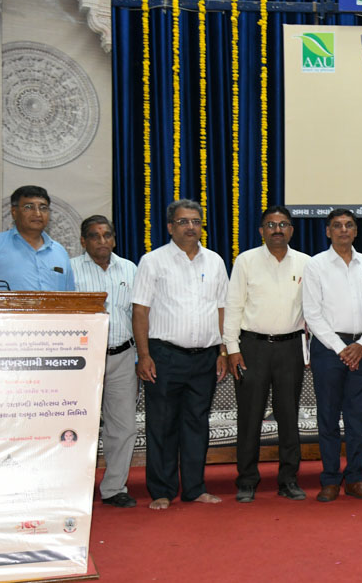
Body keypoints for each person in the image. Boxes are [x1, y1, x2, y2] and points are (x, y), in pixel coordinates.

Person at [131, 199, 228, 510]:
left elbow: (223, 308)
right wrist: (144, 355)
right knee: (162, 423)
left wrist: (223, 350)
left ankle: (195, 488)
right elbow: (140, 310)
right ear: (170, 227)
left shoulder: (214, 261)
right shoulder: (153, 261)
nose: (191, 227)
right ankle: (161, 491)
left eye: (196, 221)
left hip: (206, 356)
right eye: (184, 221)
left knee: (197, 423)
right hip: (164, 355)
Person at [222, 206, 311, 503]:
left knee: (288, 416)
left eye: (283, 224)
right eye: (271, 225)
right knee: (250, 417)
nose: (277, 229)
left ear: (291, 230)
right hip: (252, 348)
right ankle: (247, 480)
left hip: (290, 348)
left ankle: (288, 480)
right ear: (261, 230)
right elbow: (233, 306)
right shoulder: (246, 260)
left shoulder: (306, 263)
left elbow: (312, 311)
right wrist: (232, 349)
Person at [302, 209, 362, 502]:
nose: (343, 230)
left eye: (349, 225)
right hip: (328, 350)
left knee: (358, 417)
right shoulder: (315, 265)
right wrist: (341, 349)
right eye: (337, 226)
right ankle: (331, 479)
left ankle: (356, 478)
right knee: (329, 417)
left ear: (356, 231)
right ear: (328, 231)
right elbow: (312, 312)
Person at [71, 215, 138, 508]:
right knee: (76, 426)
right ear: (83, 241)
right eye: (95, 236)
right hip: (82, 360)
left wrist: (141, 355)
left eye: (107, 235)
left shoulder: (130, 269)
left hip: (122, 356)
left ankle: (114, 488)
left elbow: (139, 315)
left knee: (123, 427)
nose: (102, 242)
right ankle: (74, 488)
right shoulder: (69, 270)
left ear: (114, 239)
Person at [0, 185, 74, 291]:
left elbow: (70, 299)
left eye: (43, 208)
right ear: (14, 212)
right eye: (29, 207)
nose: (37, 213)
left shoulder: (59, 251)